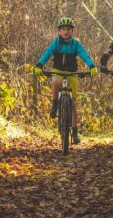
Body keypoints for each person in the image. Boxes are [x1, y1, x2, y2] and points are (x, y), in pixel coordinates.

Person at [33, 16, 97, 144]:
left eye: (68, 29)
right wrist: (40, 64)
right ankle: (55, 103)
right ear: (59, 31)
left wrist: (91, 66)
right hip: (58, 71)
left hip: (72, 73)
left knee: (73, 104)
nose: (65, 31)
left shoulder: (76, 44)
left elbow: (84, 54)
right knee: (56, 80)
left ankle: (74, 131)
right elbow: (47, 52)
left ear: (72, 31)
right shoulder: (56, 42)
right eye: (63, 29)